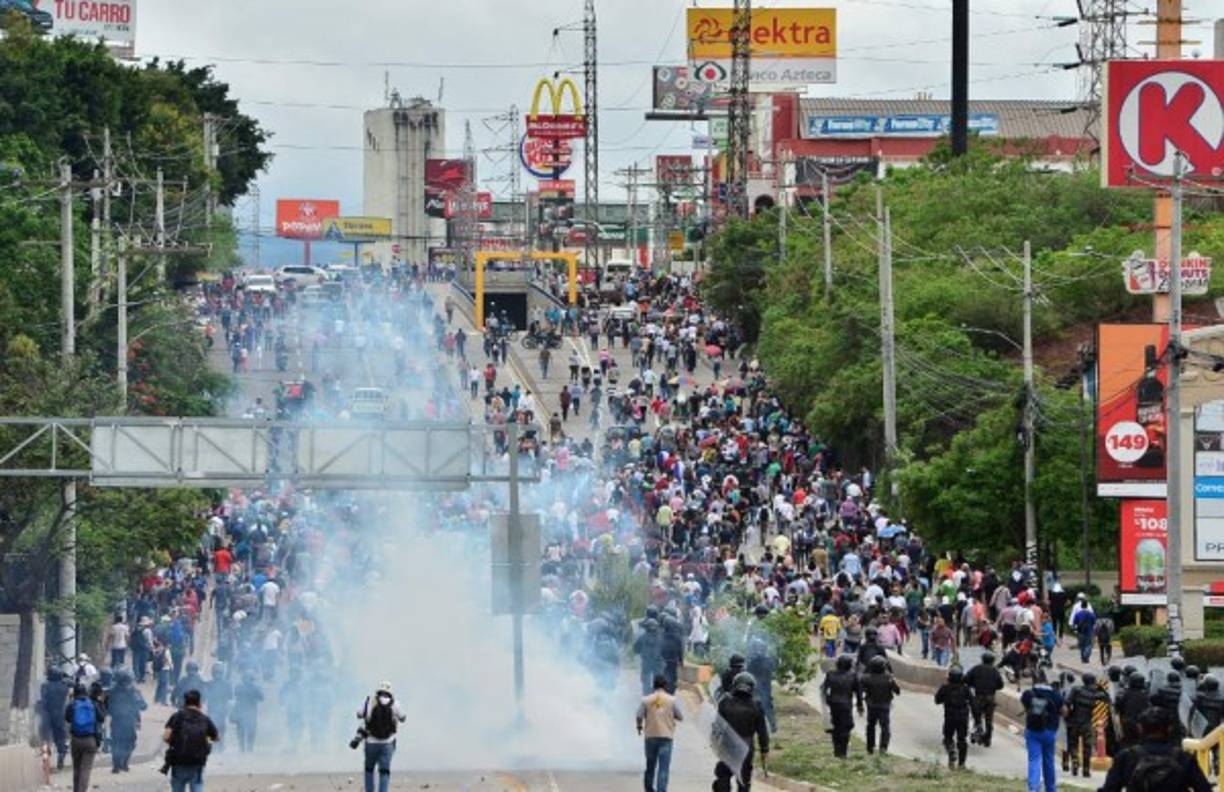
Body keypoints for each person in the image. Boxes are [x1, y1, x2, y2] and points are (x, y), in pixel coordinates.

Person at [1097, 706, 1212, 792]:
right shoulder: (1184, 758)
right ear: (1169, 729)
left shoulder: (1126, 757)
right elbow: (1204, 789)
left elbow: (1110, 789)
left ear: (1140, 728)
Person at [712, 672, 769, 792]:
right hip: (746, 748)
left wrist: (715, 741)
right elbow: (762, 732)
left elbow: (717, 726)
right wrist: (764, 749)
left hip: (727, 747)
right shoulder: (756, 706)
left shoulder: (725, 702)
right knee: (744, 781)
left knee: (723, 776)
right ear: (752, 687)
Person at [163, 688, 219, 792]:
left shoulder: (176, 716)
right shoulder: (204, 719)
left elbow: (166, 737)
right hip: (197, 763)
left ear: (185, 702)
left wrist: (175, 742)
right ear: (199, 703)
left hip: (178, 762)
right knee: (197, 787)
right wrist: (206, 740)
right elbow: (216, 737)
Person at [636, 674, 684, 792]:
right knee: (663, 768)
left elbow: (638, 715)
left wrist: (639, 726)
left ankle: (649, 789)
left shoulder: (646, 700)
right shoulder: (671, 700)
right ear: (665, 685)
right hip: (666, 738)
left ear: (654, 685)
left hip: (650, 737)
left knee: (650, 766)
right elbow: (680, 716)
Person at [357, 681, 406, 792]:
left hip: (370, 742)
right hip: (388, 743)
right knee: (384, 772)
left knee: (369, 770)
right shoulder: (395, 703)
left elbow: (359, 714)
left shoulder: (370, 701)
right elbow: (403, 718)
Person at [1021, 670, 1065, 792]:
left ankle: (1033, 788)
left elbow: (1026, 706)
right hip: (1050, 731)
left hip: (1033, 731)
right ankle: (1051, 788)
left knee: (1034, 759)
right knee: (1049, 760)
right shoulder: (1055, 695)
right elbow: (1064, 711)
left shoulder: (1028, 693)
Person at [1064, 672, 1109, 778]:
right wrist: (1101, 687)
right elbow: (1107, 699)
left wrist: (1067, 717)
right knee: (1087, 747)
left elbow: (1067, 702)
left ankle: (1075, 758)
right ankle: (1086, 770)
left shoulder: (1076, 690)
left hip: (1074, 721)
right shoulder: (1096, 694)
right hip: (1087, 723)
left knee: (1073, 743)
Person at [65, 683, 104, 792]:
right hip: (90, 740)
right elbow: (101, 718)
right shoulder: (92, 704)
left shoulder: (72, 705)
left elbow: (67, 718)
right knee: (85, 769)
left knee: (76, 768)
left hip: (76, 740)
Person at [820, 655, 860, 759]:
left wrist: (826, 701)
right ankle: (843, 752)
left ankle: (837, 750)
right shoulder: (853, 676)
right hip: (846, 706)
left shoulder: (830, 674)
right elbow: (858, 693)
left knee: (836, 728)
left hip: (833, 705)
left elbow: (824, 689)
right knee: (846, 728)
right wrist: (860, 705)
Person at [106, 670, 146, 773]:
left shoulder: (112, 691)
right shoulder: (133, 691)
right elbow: (143, 706)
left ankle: (116, 766)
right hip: (129, 722)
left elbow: (106, 707)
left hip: (116, 721)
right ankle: (124, 763)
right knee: (130, 743)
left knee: (116, 743)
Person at [860, 654, 900, 755]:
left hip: (871, 705)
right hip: (884, 705)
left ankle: (870, 747)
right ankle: (883, 747)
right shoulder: (889, 678)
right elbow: (897, 691)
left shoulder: (866, 678)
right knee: (885, 727)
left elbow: (861, 689)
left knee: (871, 726)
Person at [934, 665, 972, 769]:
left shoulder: (945, 687)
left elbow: (937, 700)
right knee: (962, 739)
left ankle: (951, 751)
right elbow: (973, 702)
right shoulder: (965, 689)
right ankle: (962, 764)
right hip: (963, 717)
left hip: (950, 716)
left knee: (947, 738)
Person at [965, 650, 1005, 747]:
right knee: (989, 719)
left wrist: (973, 684)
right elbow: (1001, 685)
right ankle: (988, 740)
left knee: (976, 717)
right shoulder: (995, 671)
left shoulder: (976, 669)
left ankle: (977, 732)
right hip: (990, 698)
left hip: (978, 697)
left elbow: (966, 679)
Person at [39, 667, 71, 770]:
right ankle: (61, 755)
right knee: (61, 738)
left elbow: (42, 699)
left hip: (47, 715)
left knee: (45, 738)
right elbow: (73, 682)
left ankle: (46, 759)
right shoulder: (64, 686)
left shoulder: (45, 686)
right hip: (60, 715)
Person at [746, 638, 778, 734]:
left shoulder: (753, 662)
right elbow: (774, 668)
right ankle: (773, 726)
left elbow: (748, 672)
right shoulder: (769, 661)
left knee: (754, 706)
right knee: (767, 706)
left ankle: (753, 727)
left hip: (756, 688)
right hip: (766, 688)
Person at [1116, 671, 1152, 749]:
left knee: (1128, 744)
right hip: (1139, 724)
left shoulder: (1125, 694)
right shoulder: (1144, 696)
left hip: (1127, 722)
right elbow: (1147, 711)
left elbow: (1118, 706)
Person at [232, 672, 263, 753]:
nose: (247, 680)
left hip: (248, 711)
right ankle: (244, 748)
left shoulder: (240, 687)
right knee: (244, 731)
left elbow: (261, 697)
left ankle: (247, 748)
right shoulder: (253, 687)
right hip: (246, 711)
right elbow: (261, 697)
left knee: (248, 731)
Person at [635, 618, 663, 695]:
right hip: (658, 663)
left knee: (645, 682)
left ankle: (646, 697)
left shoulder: (642, 637)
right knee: (658, 682)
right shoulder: (661, 637)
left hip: (646, 663)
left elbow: (636, 649)